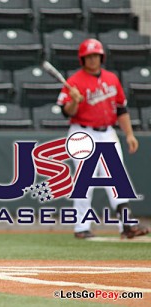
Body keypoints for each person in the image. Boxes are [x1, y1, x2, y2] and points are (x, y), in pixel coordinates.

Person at [57, 38, 149, 239]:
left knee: (117, 178)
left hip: (107, 131)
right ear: (83, 58)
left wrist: (130, 134)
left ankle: (126, 225)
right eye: (89, 56)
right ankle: (81, 228)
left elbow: (121, 109)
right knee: (84, 181)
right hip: (82, 132)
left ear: (101, 57)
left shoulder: (111, 79)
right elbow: (66, 112)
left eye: (95, 55)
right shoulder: (74, 82)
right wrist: (74, 101)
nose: (92, 59)